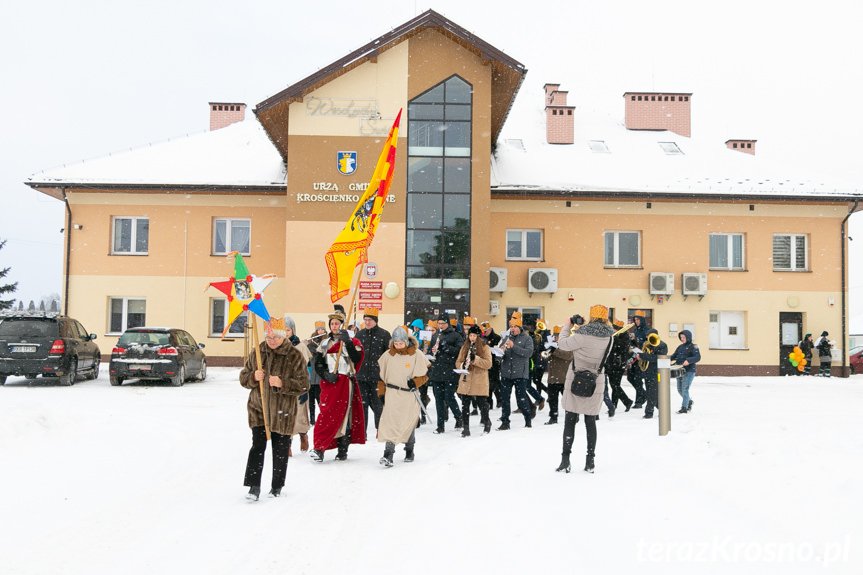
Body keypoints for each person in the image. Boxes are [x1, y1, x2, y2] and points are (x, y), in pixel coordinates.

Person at [239, 315, 310, 500]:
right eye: (268, 337)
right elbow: (243, 378)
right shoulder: (257, 352)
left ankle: (277, 486)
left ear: (283, 337)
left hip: (283, 410)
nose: (271, 341)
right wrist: (253, 377)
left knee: (280, 449)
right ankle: (253, 487)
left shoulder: (294, 355)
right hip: (259, 408)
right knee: (257, 446)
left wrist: (282, 383)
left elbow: (304, 384)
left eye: (275, 338)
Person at [555, 305, 614, 473]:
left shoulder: (581, 334)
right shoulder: (610, 337)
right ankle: (590, 461)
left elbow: (563, 344)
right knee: (590, 421)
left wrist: (568, 326)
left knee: (570, 421)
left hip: (576, 379)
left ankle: (565, 460)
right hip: (596, 381)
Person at [310, 304, 366, 462]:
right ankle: (319, 447)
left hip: (345, 382)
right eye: (332, 324)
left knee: (344, 415)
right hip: (330, 384)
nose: (334, 326)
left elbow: (356, 359)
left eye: (337, 323)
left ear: (342, 325)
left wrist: (348, 342)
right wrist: (326, 375)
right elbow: (318, 364)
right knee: (326, 414)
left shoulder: (352, 341)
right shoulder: (324, 344)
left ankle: (343, 448)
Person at [377, 326, 431, 466]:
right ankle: (388, 455)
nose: (399, 346)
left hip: (409, 395)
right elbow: (381, 377)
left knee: (408, 423)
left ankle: (409, 449)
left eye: (401, 343)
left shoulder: (416, 354)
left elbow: (426, 374)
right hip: (392, 394)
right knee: (391, 424)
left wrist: (416, 382)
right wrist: (381, 393)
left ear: (406, 342)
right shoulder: (388, 355)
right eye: (396, 343)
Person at [355, 307, 391, 434]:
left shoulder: (384, 335)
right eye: (365, 320)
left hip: (377, 377)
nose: (367, 322)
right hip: (361, 376)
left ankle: (380, 430)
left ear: (375, 320)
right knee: (362, 406)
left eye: (370, 320)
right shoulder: (359, 335)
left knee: (378, 405)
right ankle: (361, 431)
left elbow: (388, 356)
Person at [428, 313, 465, 433]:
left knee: (449, 397)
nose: (440, 325)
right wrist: (432, 350)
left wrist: (446, 347)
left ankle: (458, 416)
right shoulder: (435, 336)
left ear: (448, 323)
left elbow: (460, 352)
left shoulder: (456, 336)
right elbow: (431, 351)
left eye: (442, 323)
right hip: (437, 370)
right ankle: (440, 425)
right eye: (439, 323)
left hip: (450, 371)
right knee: (438, 399)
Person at [498, 312, 534, 430]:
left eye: (514, 327)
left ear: (519, 328)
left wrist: (514, 346)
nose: (512, 329)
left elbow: (528, 353)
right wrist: (500, 352)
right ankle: (505, 422)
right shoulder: (506, 338)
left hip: (520, 373)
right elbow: (500, 357)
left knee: (521, 398)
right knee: (505, 399)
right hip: (506, 373)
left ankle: (528, 418)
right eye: (511, 327)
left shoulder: (527, 339)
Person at [455, 324, 494, 436]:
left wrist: (475, 360)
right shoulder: (464, 347)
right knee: (465, 404)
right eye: (470, 335)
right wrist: (463, 365)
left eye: (474, 335)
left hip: (479, 379)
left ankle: (487, 422)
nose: (472, 338)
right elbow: (458, 362)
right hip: (466, 378)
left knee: (482, 403)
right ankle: (466, 428)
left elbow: (488, 364)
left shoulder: (485, 347)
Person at [285, 317, 312, 454]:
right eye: (283, 330)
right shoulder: (277, 346)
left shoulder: (300, 346)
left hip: (298, 385)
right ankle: (287, 443)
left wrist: (304, 386)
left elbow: (306, 368)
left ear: (293, 330)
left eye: (288, 330)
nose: (285, 333)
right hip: (283, 386)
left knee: (300, 415)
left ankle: (303, 436)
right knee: (285, 416)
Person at [634, 328, 667, 420]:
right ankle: (663, 409)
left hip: (657, 372)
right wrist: (640, 356)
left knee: (652, 392)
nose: (647, 338)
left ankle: (649, 412)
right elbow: (646, 356)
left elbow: (657, 358)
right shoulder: (647, 345)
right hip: (647, 372)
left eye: (649, 336)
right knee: (650, 393)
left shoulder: (662, 345)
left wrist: (643, 356)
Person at [544, 325, 572, 425]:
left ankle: (572, 416)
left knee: (567, 400)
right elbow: (546, 358)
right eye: (554, 336)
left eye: (557, 336)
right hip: (552, 378)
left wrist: (555, 350)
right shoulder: (553, 345)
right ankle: (553, 417)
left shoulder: (569, 345)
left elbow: (569, 356)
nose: (555, 338)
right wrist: (548, 351)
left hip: (564, 378)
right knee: (552, 400)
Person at [605, 319, 634, 414]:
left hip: (619, 364)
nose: (613, 330)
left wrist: (615, 338)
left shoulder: (625, 336)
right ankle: (614, 404)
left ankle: (626, 401)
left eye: (615, 329)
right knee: (613, 385)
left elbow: (623, 348)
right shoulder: (611, 335)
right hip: (610, 363)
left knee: (615, 385)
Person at [670, 329, 700, 414]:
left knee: (685, 389)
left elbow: (697, 357)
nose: (682, 339)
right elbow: (674, 355)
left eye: (684, 337)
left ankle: (684, 407)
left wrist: (689, 361)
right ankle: (688, 401)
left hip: (689, 371)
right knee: (679, 389)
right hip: (679, 370)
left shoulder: (694, 347)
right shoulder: (680, 347)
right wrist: (665, 359)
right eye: (681, 337)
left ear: (688, 337)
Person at [306, 321, 327, 422]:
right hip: (311, 372)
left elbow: (321, 352)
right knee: (310, 401)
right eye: (318, 329)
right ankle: (312, 419)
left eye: (322, 329)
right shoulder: (312, 340)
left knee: (320, 400)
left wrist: (313, 349)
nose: (320, 331)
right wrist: (306, 345)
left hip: (319, 375)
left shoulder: (326, 341)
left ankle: (323, 417)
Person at [627, 310, 648, 408]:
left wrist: (640, 343)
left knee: (638, 379)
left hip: (642, 358)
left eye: (638, 319)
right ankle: (644, 394)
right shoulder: (635, 330)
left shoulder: (647, 330)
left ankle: (639, 401)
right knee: (630, 377)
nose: (636, 321)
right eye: (635, 319)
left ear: (642, 320)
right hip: (635, 357)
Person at [480, 321, 502, 409]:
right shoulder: (482, 338)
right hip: (486, 362)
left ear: (490, 330)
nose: (484, 333)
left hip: (494, 362)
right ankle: (489, 401)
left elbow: (498, 348)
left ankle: (499, 400)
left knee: (495, 383)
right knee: (487, 383)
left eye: (485, 331)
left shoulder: (496, 337)